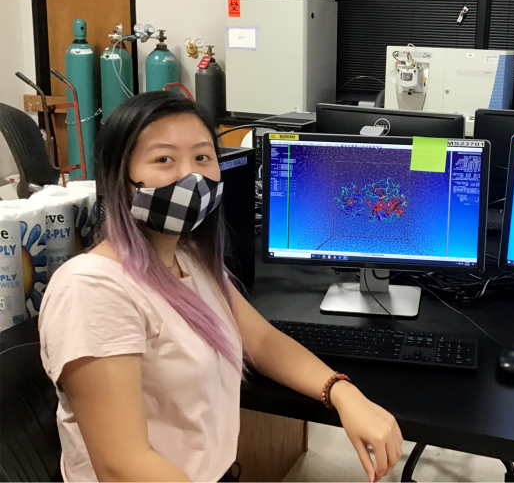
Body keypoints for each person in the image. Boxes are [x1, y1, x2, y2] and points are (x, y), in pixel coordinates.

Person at [38, 92, 402, 483]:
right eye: (164, 159)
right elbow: (123, 465)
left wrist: (342, 393)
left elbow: (260, 341)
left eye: (202, 157)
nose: (190, 177)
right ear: (120, 177)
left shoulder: (190, 259)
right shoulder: (92, 289)